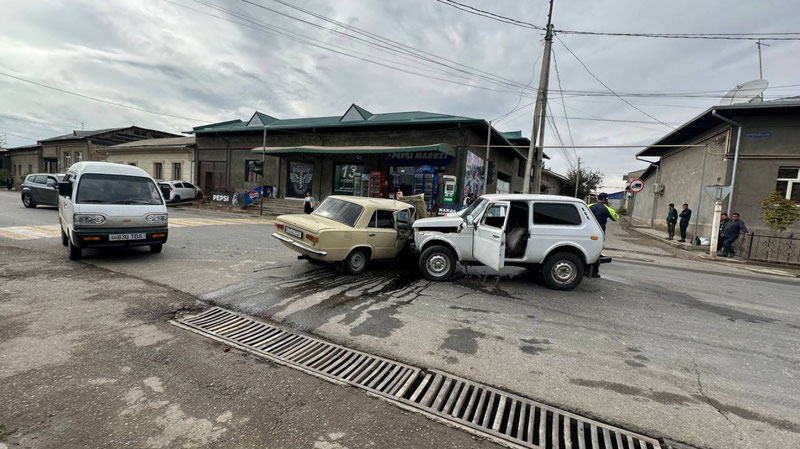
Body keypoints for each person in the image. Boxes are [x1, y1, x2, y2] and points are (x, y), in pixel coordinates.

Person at [588, 193, 619, 278]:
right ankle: (594, 272)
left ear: (597, 198)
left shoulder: (589, 206)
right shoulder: (607, 209)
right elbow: (616, 218)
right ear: (606, 200)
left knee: (587, 250)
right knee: (597, 252)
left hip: (587, 233)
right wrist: (609, 207)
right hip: (600, 234)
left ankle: (585, 270)